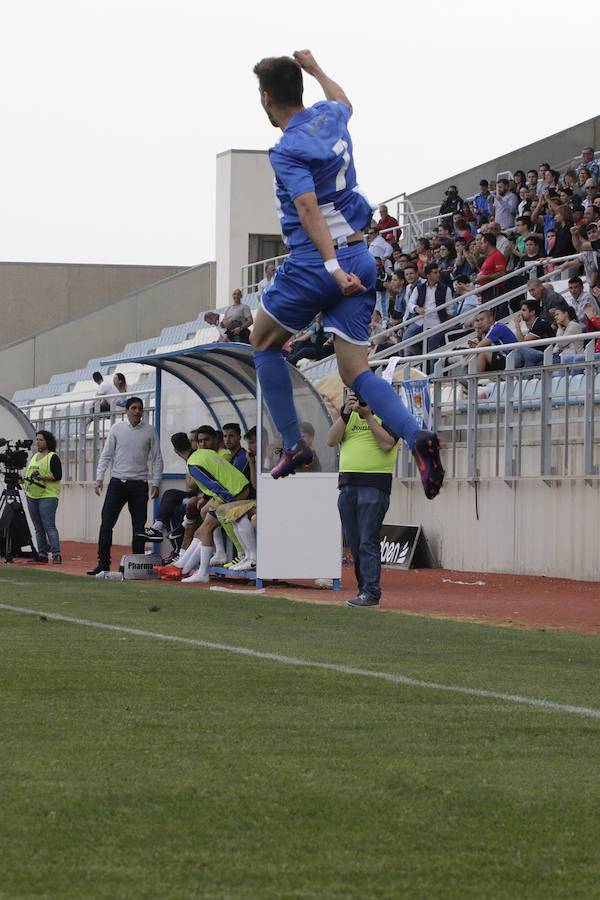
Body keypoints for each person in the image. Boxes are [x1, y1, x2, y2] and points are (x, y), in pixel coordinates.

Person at [250, 50, 443, 498]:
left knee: (262, 343)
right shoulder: (330, 115)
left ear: (265, 99)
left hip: (322, 262)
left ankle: (294, 444)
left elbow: (307, 207)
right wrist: (318, 70)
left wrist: (331, 268)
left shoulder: (286, 149)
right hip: (362, 255)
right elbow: (344, 99)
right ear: (301, 89)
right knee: (356, 371)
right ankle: (416, 436)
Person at [327, 391, 401, 608]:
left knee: (368, 540)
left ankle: (371, 592)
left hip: (374, 485)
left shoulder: (390, 415)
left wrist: (368, 416)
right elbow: (331, 440)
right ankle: (364, 592)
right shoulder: (349, 416)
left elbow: (387, 444)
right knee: (356, 543)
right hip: (348, 484)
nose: (359, 400)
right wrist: (346, 414)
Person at [153, 433, 250, 583]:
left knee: (205, 530)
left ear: (175, 450)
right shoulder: (205, 452)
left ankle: (200, 572)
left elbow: (214, 484)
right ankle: (180, 568)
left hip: (234, 493)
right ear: (191, 443)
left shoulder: (193, 465)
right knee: (200, 530)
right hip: (237, 487)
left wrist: (228, 502)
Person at [87, 397, 163, 575]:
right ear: (126, 410)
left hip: (139, 484)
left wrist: (156, 482)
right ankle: (103, 563)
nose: (137, 411)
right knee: (106, 523)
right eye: (134, 408)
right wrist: (99, 479)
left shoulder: (150, 431)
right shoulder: (117, 428)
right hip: (117, 483)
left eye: (140, 408)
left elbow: (157, 458)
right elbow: (106, 454)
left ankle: (136, 564)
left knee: (138, 526)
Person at [24, 430, 62, 565]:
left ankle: (56, 554)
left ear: (47, 442)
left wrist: (41, 478)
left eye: (41, 439)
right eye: (37, 439)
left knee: (49, 526)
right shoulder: (34, 457)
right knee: (38, 527)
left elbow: (58, 476)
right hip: (32, 495)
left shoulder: (52, 457)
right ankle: (42, 554)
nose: (38, 442)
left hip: (48, 496)